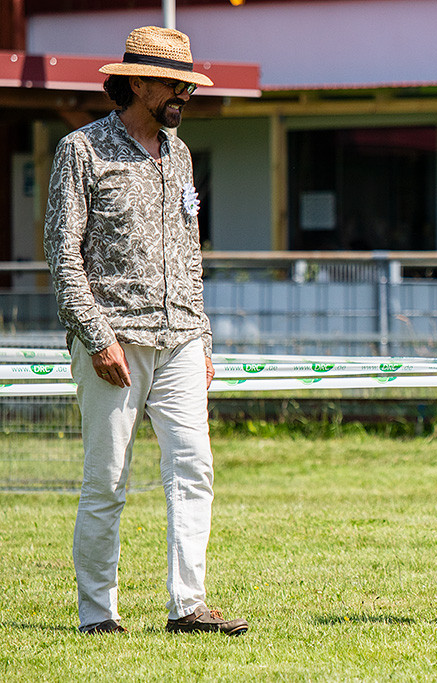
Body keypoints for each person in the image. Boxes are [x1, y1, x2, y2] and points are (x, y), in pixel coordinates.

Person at [43, 26, 248, 636]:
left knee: (194, 468)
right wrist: (95, 335)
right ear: (136, 82)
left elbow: (190, 251)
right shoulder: (81, 150)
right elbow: (62, 254)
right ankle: (97, 614)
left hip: (182, 336)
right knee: (107, 480)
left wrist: (203, 337)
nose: (183, 92)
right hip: (113, 342)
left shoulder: (179, 152)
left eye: (187, 81)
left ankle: (188, 606)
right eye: (172, 82)